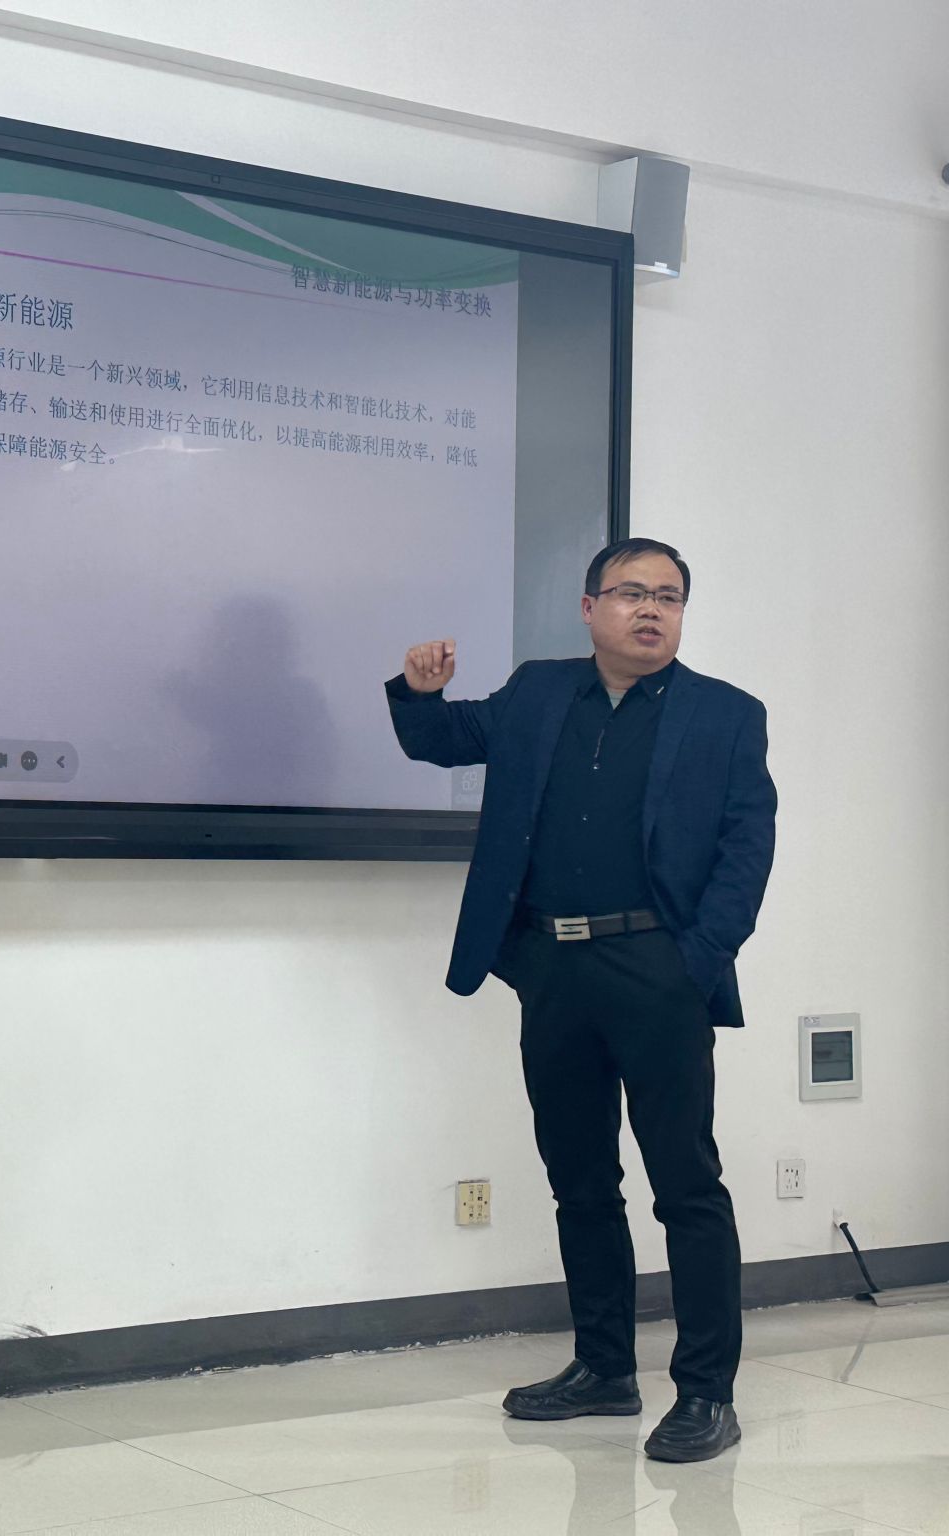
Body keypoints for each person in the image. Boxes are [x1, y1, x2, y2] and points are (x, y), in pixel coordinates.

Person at [384, 537, 776, 1464]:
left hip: (658, 969)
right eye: (633, 592)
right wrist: (419, 693)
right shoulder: (537, 693)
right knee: (581, 1182)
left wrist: (695, 960)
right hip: (553, 969)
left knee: (686, 1184)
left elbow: (746, 845)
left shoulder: (726, 714)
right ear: (591, 606)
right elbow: (442, 741)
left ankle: (706, 1392)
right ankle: (603, 1368)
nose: (652, 610)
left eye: (669, 597)